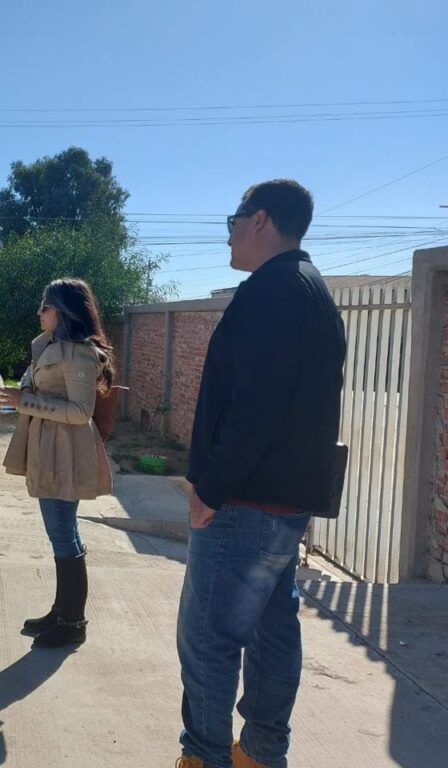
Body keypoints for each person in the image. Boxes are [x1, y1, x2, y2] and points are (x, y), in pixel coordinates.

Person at [174, 180, 346, 768]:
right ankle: (261, 753)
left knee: (206, 638)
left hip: (245, 503)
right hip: (281, 501)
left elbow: (257, 406)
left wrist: (211, 489)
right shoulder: (309, 288)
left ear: (260, 221)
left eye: (234, 218)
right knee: (272, 632)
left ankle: (204, 757)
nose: (227, 231)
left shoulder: (273, 290)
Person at [0, 278, 114, 649]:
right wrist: (22, 393)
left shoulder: (78, 353)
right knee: (61, 533)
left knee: (63, 533)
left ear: (63, 311)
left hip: (65, 449)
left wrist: (25, 403)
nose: (39, 312)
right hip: (48, 445)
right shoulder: (49, 345)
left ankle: (73, 622)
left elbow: (81, 412)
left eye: (45, 306)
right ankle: (61, 611)